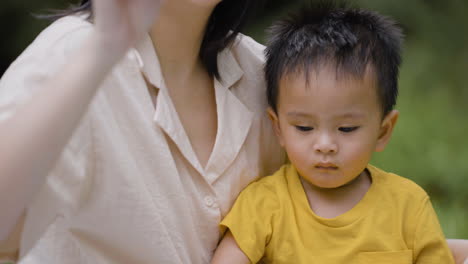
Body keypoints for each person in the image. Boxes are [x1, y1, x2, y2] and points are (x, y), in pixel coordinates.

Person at [0, 0, 466, 263]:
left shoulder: (264, 76)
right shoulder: (74, 57)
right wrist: (105, 48)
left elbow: (325, 239)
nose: (322, 140)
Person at [211, 2, 458, 264]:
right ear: (278, 128)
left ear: (383, 131)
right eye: (304, 127)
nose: (325, 145)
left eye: (346, 128)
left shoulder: (408, 206)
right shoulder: (264, 205)